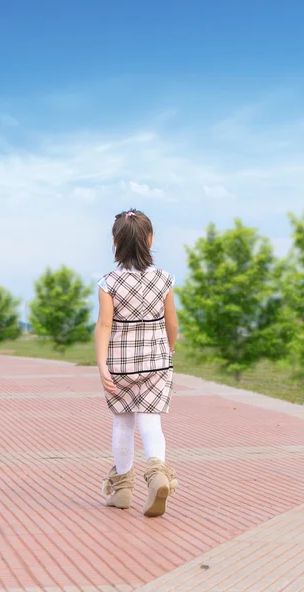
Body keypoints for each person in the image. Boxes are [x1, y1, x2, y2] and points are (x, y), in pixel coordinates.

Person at [95, 209, 179, 517]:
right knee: (150, 422)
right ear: (150, 240)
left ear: (115, 243)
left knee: (123, 423)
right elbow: (172, 322)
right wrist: (168, 350)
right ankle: (157, 474)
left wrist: (102, 364)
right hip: (156, 364)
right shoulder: (164, 279)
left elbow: (104, 325)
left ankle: (122, 491)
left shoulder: (109, 283)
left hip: (120, 367)